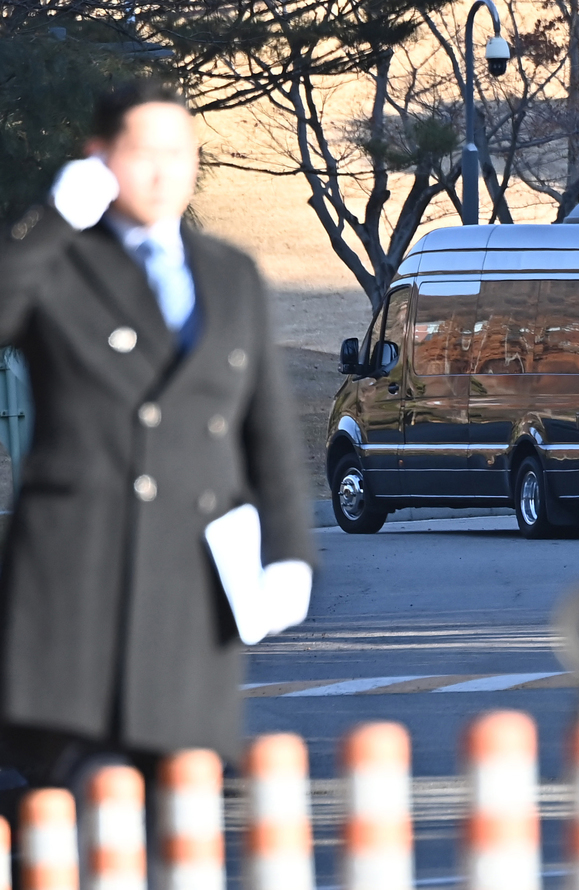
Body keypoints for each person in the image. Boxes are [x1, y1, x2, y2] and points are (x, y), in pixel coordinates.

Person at [0, 79, 313, 798]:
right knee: (91, 798)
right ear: (98, 159)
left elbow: (265, 434)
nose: (163, 170)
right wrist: (51, 220)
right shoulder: (60, 262)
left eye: (180, 151)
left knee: (184, 799)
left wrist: (292, 556)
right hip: (74, 584)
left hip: (193, 588)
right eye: (141, 151)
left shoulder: (229, 276)